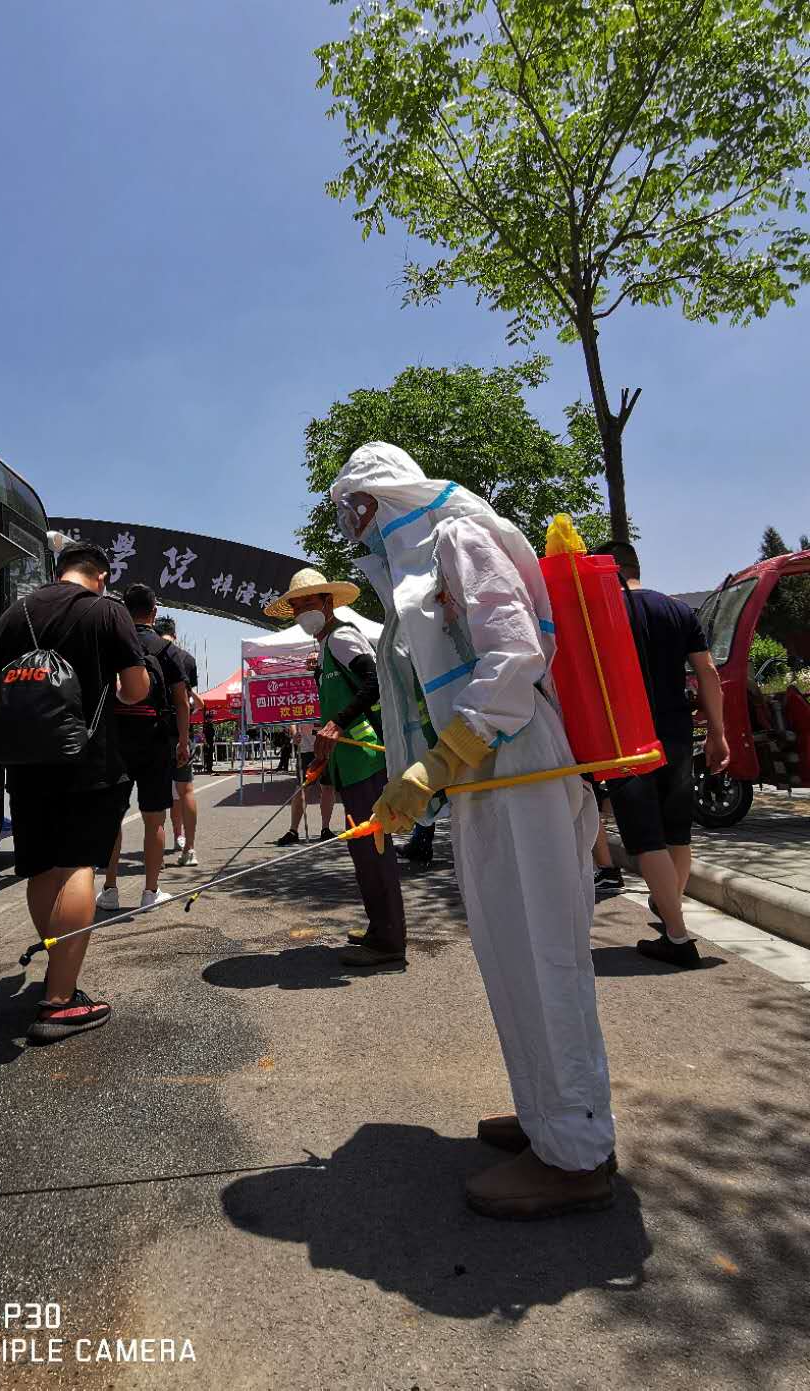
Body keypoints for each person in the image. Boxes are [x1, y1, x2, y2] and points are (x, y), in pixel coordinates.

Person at [331, 442, 615, 1219]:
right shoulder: (420, 557)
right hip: (487, 772)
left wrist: (445, 757)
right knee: (507, 949)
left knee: (542, 950)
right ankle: (547, 1115)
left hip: (517, 760)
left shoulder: (457, 534)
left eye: (351, 507)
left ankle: (577, 1151)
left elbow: (515, 650)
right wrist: (426, 771)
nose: (350, 528)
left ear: (382, 494)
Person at [0, 543, 149, 1045]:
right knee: (77, 866)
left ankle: (58, 970)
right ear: (99, 574)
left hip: (25, 761)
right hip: (88, 758)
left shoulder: (16, 613)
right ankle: (59, 1000)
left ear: (58, 571)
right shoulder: (107, 611)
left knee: (39, 866)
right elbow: (136, 689)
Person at [592, 541, 729, 968]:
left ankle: (677, 936)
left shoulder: (601, 614)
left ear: (607, 570)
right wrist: (718, 734)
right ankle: (671, 910)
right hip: (676, 734)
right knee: (676, 832)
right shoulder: (678, 611)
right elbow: (707, 672)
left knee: (645, 837)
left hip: (626, 739)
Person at [265, 569, 407, 967]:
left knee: (372, 846)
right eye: (296, 606)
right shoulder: (326, 646)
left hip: (364, 754)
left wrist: (337, 722)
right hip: (347, 759)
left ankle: (389, 939)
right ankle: (380, 927)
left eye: (309, 602)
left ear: (328, 603)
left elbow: (373, 681)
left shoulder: (342, 636)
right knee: (361, 847)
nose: (302, 610)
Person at [97, 585, 191, 912]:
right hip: (155, 742)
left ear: (124, 610)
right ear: (153, 612)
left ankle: (109, 890)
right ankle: (150, 892)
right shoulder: (168, 651)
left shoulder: (111, 644)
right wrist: (183, 740)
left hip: (115, 741)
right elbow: (181, 702)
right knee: (155, 820)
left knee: (111, 818)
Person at [154, 615, 202, 865]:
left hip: (154, 733)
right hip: (182, 732)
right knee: (187, 791)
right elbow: (188, 700)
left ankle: (156, 853)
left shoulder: (147, 653)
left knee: (157, 793)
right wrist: (184, 739)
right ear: (175, 632)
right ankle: (190, 850)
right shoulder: (188, 659)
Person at [276, 720, 336, 845]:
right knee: (302, 789)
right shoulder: (300, 700)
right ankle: (293, 830)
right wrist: (294, 733)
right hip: (306, 749)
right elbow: (293, 718)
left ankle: (326, 828)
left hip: (328, 746)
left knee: (328, 787)